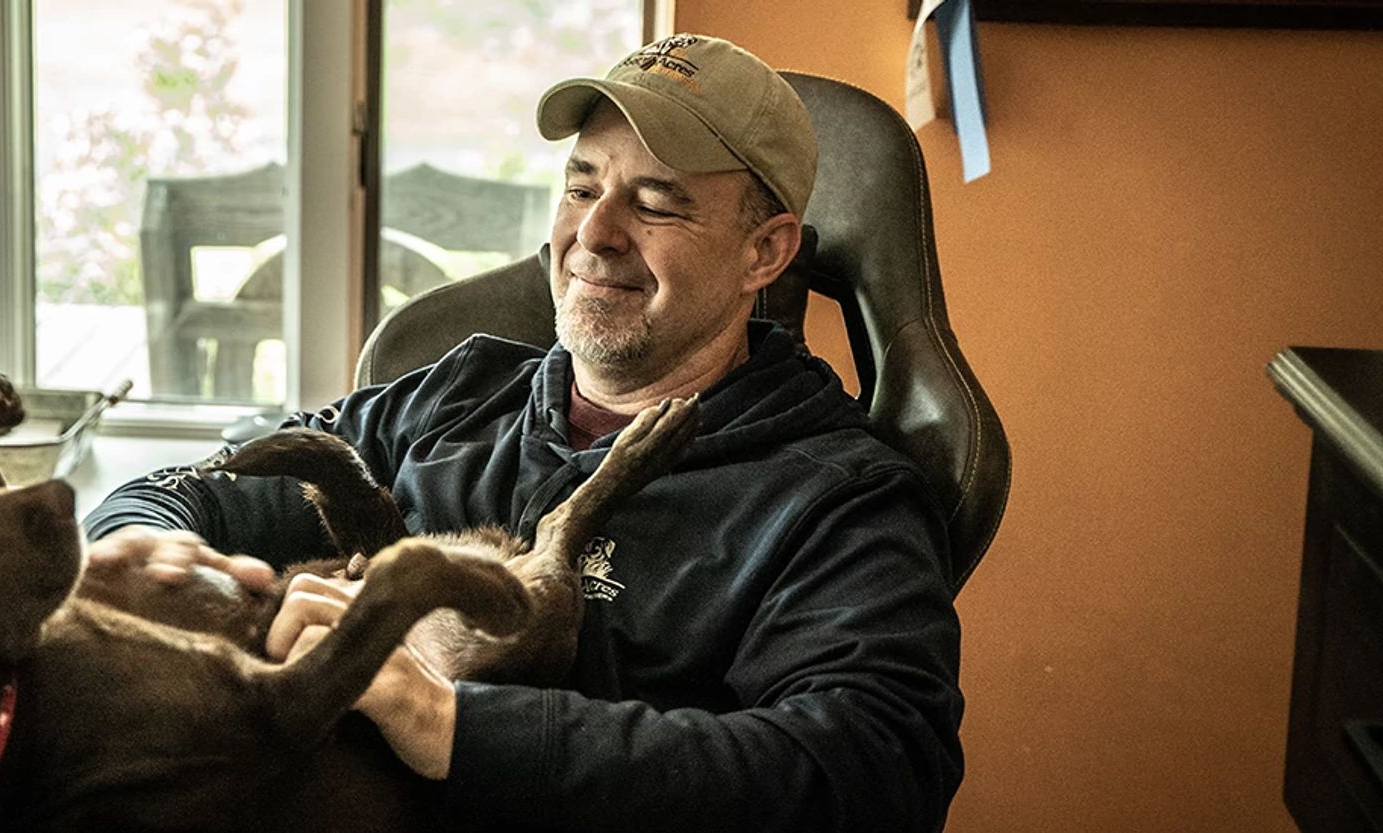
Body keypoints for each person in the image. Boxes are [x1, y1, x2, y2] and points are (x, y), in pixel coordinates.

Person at [83, 33, 964, 833]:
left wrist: (448, 723)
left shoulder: (836, 498)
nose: (595, 233)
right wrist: (143, 552)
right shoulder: (460, 393)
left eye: (655, 204)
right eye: (581, 186)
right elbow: (191, 493)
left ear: (764, 254)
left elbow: (875, 770)